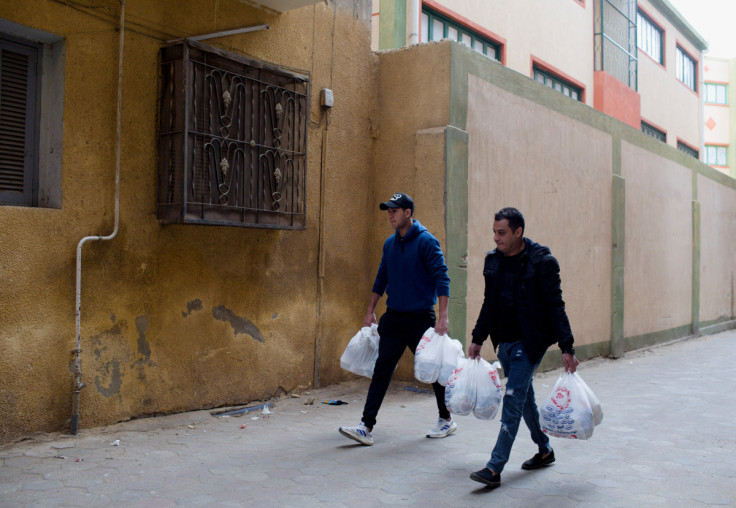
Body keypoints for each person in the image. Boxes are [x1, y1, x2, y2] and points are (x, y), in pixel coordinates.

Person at [467, 207, 579, 488]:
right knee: (525, 397)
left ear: (519, 232)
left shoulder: (542, 262)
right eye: (494, 232)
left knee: (513, 398)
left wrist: (567, 346)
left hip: (530, 342)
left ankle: (494, 467)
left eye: (501, 232)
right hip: (503, 343)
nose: (496, 238)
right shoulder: (493, 262)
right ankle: (545, 449)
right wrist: (478, 339)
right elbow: (488, 304)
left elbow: (556, 306)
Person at [338, 192, 456, 446]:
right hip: (394, 317)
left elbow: (442, 278)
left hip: (420, 319)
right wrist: (370, 310)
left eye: (395, 210)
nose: (390, 215)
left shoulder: (427, 242)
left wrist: (443, 317)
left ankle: (446, 419)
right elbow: (382, 278)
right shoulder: (390, 244)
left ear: (408, 213)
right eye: (388, 211)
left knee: (433, 370)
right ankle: (365, 427)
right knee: (382, 369)